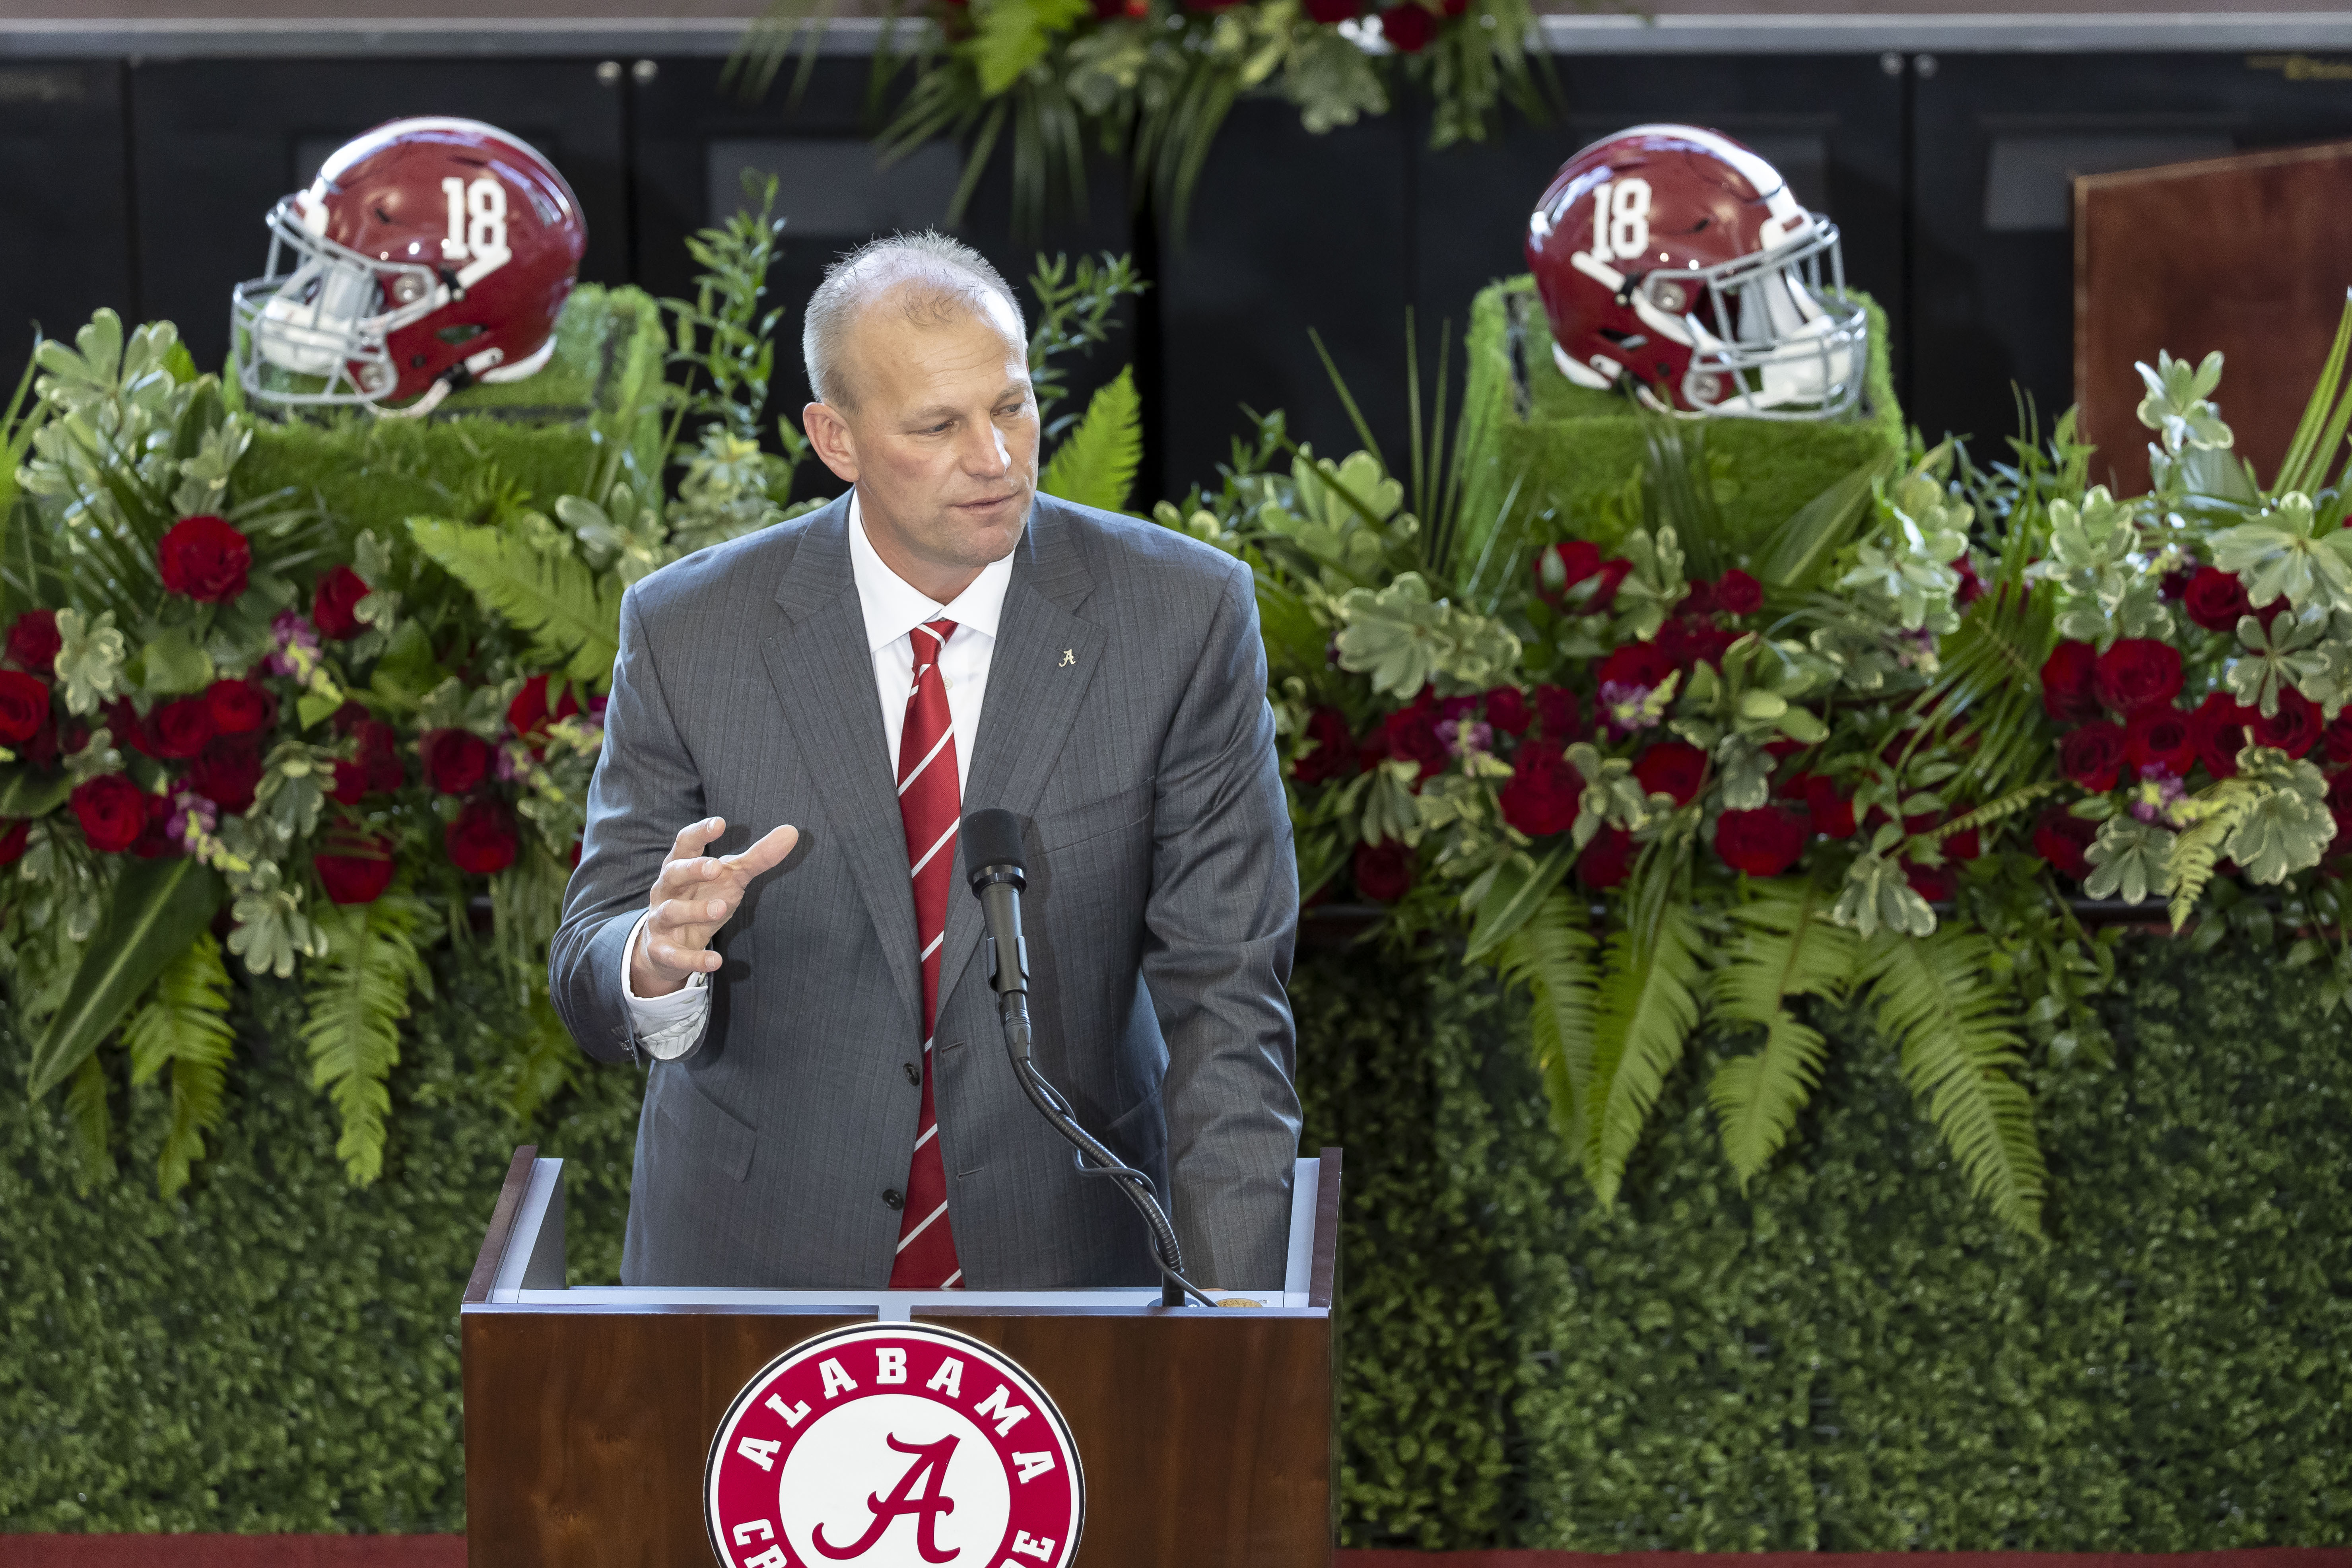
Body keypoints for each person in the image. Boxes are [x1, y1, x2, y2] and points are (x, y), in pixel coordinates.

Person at [549, 233, 1302, 1292]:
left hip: (1071, 1256)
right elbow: (591, 957)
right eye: (938, 426)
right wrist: (651, 958)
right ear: (836, 438)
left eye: (1012, 407)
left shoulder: (1181, 618)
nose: (995, 459)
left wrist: (1242, 1328)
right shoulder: (690, 631)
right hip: (754, 1268)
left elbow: (1228, 1004)